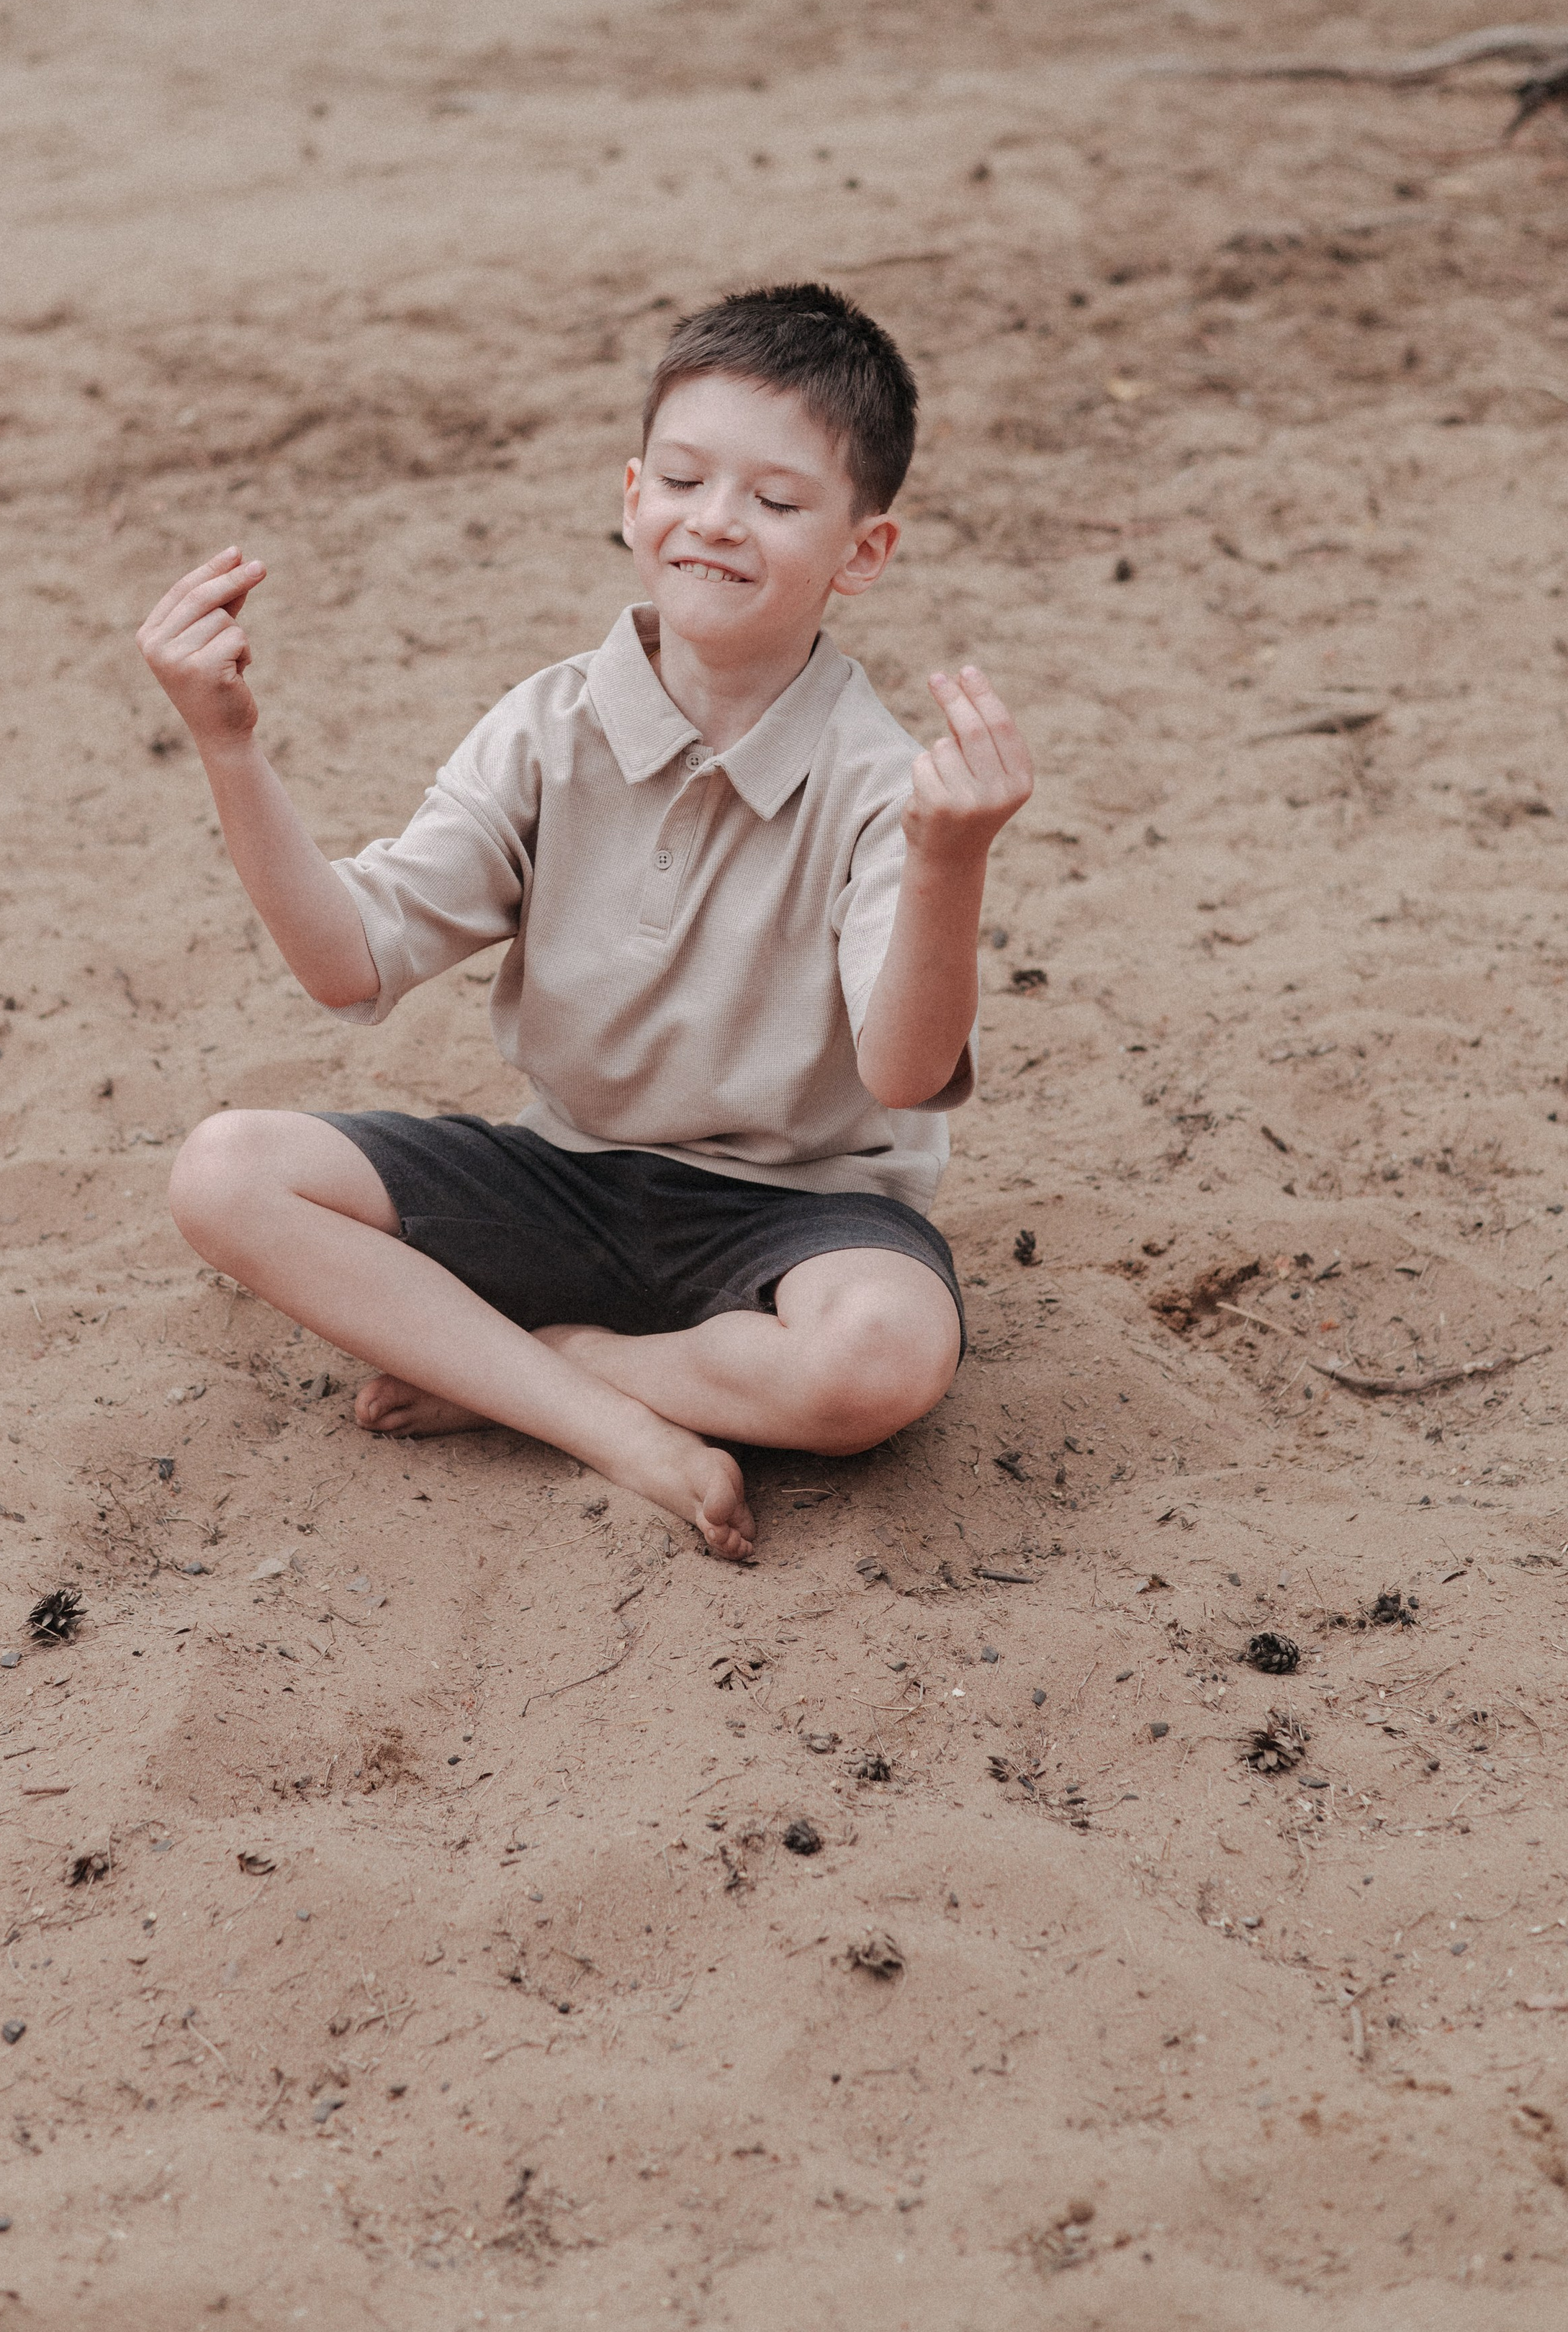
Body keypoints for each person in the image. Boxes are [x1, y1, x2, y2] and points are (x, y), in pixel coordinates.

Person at [138, 284, 1032, 1562]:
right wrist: (229, 747)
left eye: (777, 503)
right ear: (631, 496)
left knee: (882, 1359)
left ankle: (552, 1366)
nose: (717, 521)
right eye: (683, 479)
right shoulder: (548, 726)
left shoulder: (883, 781)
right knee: (225, 1169)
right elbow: (349, 963)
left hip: (798, 1212)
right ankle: (608, 1421)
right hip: (566, 1177)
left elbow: (903, 1075)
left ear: (863, 552)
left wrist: (951, 860)